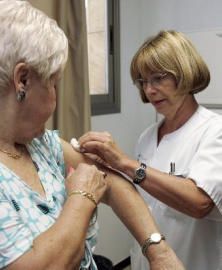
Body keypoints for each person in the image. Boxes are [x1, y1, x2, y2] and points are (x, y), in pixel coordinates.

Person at [0, 1, 184, 269]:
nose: (55, 99)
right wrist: (82, 197)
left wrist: (159, 252)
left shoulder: (40, 143)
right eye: (53, 84)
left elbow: (114, 184)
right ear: (23, 80)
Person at [78, 29, 222, 270]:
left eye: (158, 78)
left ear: (184, 72)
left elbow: (200, 202)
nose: (149, 90)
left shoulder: (214, 131)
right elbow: (146, 196)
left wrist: (124, 162)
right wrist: (108, 167)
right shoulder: (148, 137)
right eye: (143, 81)